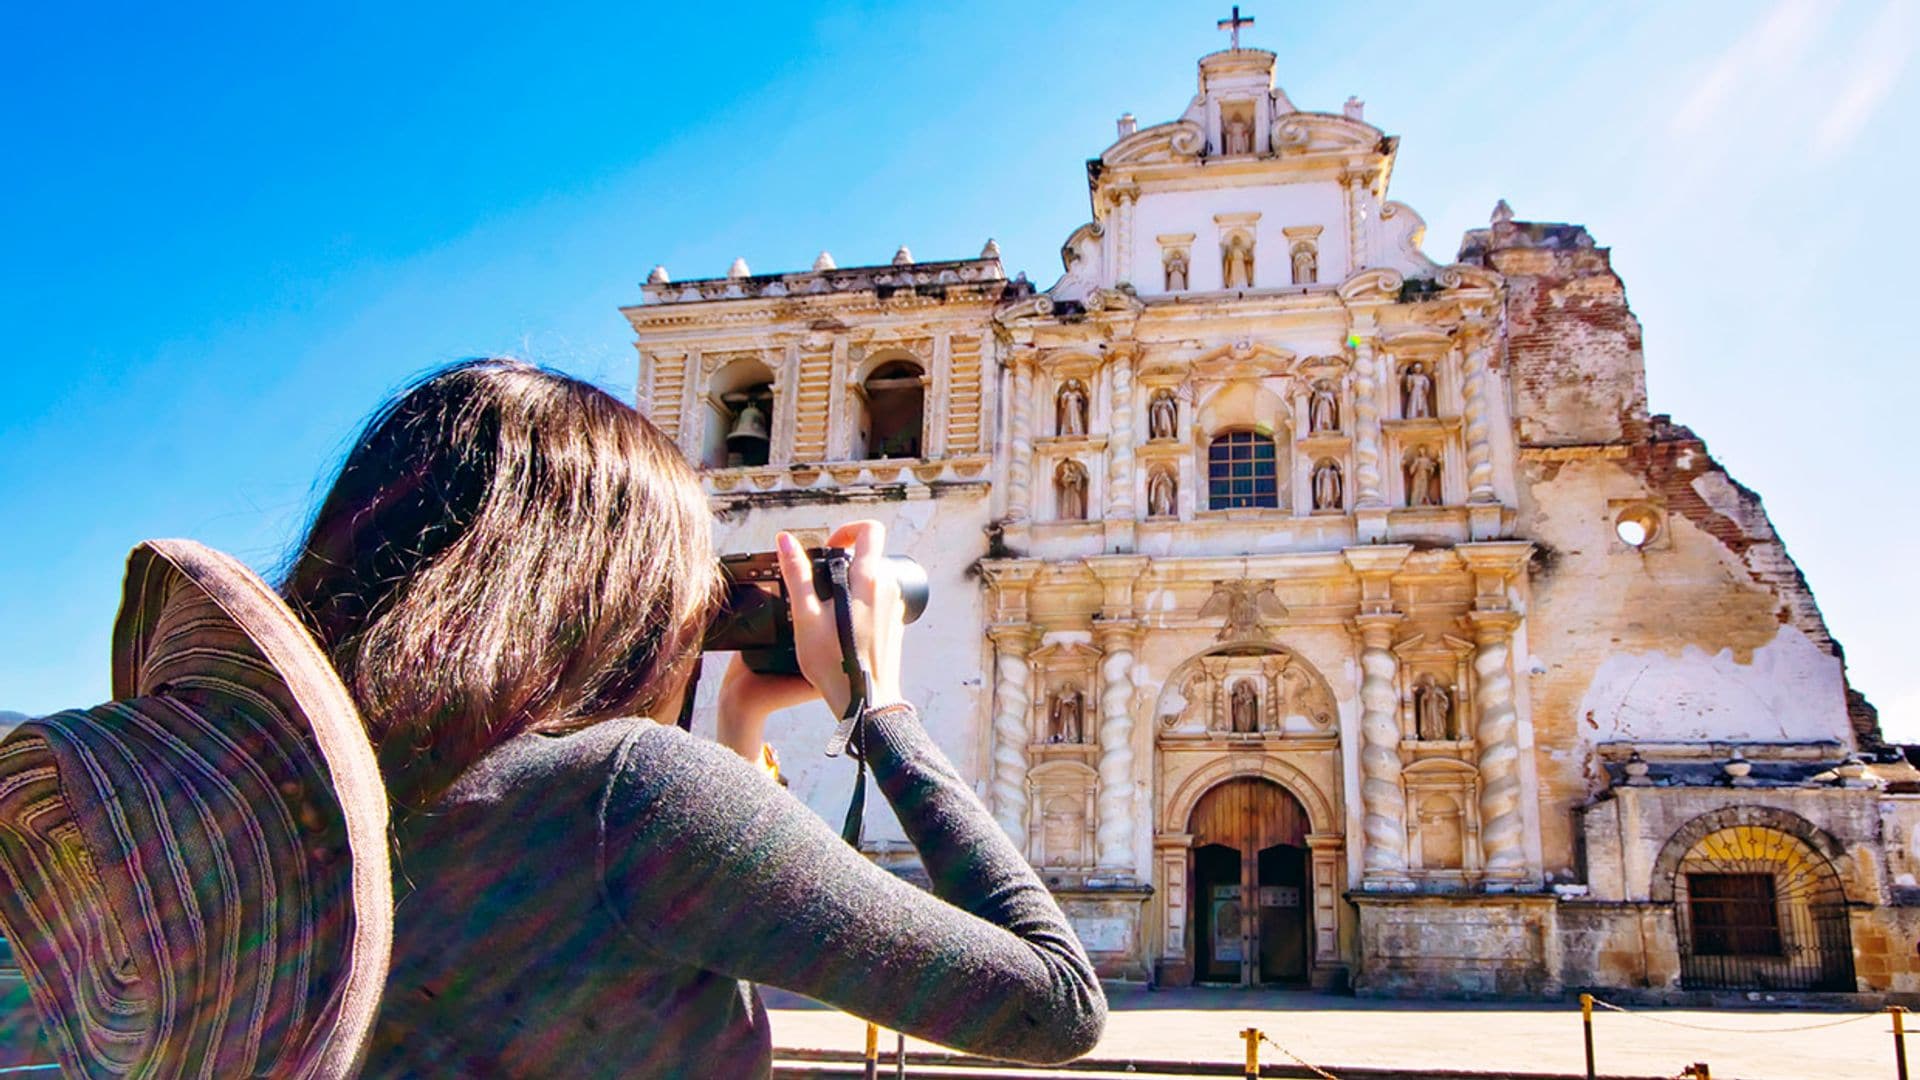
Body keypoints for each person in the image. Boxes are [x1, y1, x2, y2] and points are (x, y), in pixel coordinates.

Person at [279, 359, 1106, 1077]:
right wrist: (875, 704)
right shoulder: (628, 794)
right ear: (619, 586)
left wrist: (737, 726)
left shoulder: (314, 789)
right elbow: (1057, 1002)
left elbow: (650, 907)